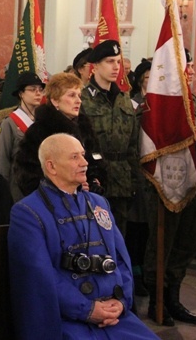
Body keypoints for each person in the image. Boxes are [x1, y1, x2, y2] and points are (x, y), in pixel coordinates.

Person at [8, 133, 157, 339]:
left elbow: (121, 260)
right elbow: (40, 278)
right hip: (67, 321)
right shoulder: (27, 212)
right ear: (51, 167)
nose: (85, 163)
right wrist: (86, 310)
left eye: (83, 155)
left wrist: (121, 302)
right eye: (74, 157)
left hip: (114, 318)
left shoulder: (99, 203)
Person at [142, 48, 196, 326]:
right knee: (161, 245)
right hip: (165, 185)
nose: (188, 70)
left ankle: (174, 298)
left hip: (193, 184)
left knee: (186, 243)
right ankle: (157, 301)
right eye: (184, 65)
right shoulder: (156, 104)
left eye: (189, 66)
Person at [80, 39, 139, 236]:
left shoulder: (124, 99)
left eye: (118, 61)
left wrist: (134, 180)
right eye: (109, 61)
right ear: (95, 66)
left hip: (121, 182)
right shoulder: (82, 99)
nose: (116, 67)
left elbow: (132, 145)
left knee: (118, 237)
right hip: (93, 179)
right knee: (92, 236)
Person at [14, 72, 104, 200]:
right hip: (53, 203)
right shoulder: (40, 130)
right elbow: (26, 173)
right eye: (72, 95)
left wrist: (93, 180)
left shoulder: (84, 127)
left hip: (85, 201)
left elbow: (95, 160)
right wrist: (60, 191)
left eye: (79, 95)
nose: (78, 101)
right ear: (55, 100)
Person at [0, 71, 45, 198]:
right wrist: (2, 193)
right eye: (32, 89)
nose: (38, 93)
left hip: (42, 185)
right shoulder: (9, 123)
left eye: (40, 89)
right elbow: (2, 161)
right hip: (18, 188)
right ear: (21, 93)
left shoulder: (43, 120)